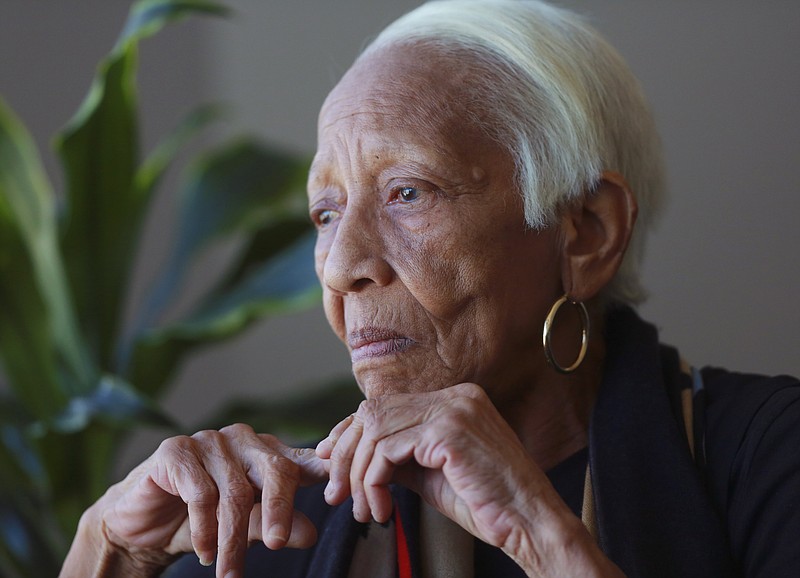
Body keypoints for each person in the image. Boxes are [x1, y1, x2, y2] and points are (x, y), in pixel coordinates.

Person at [59, 1, 800, 577]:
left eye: (409, 193)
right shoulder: (281, 525)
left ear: (586, 232)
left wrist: (537, 535)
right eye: (325, 211)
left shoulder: (766, 455)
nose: (340, 264)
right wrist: (112, 549)